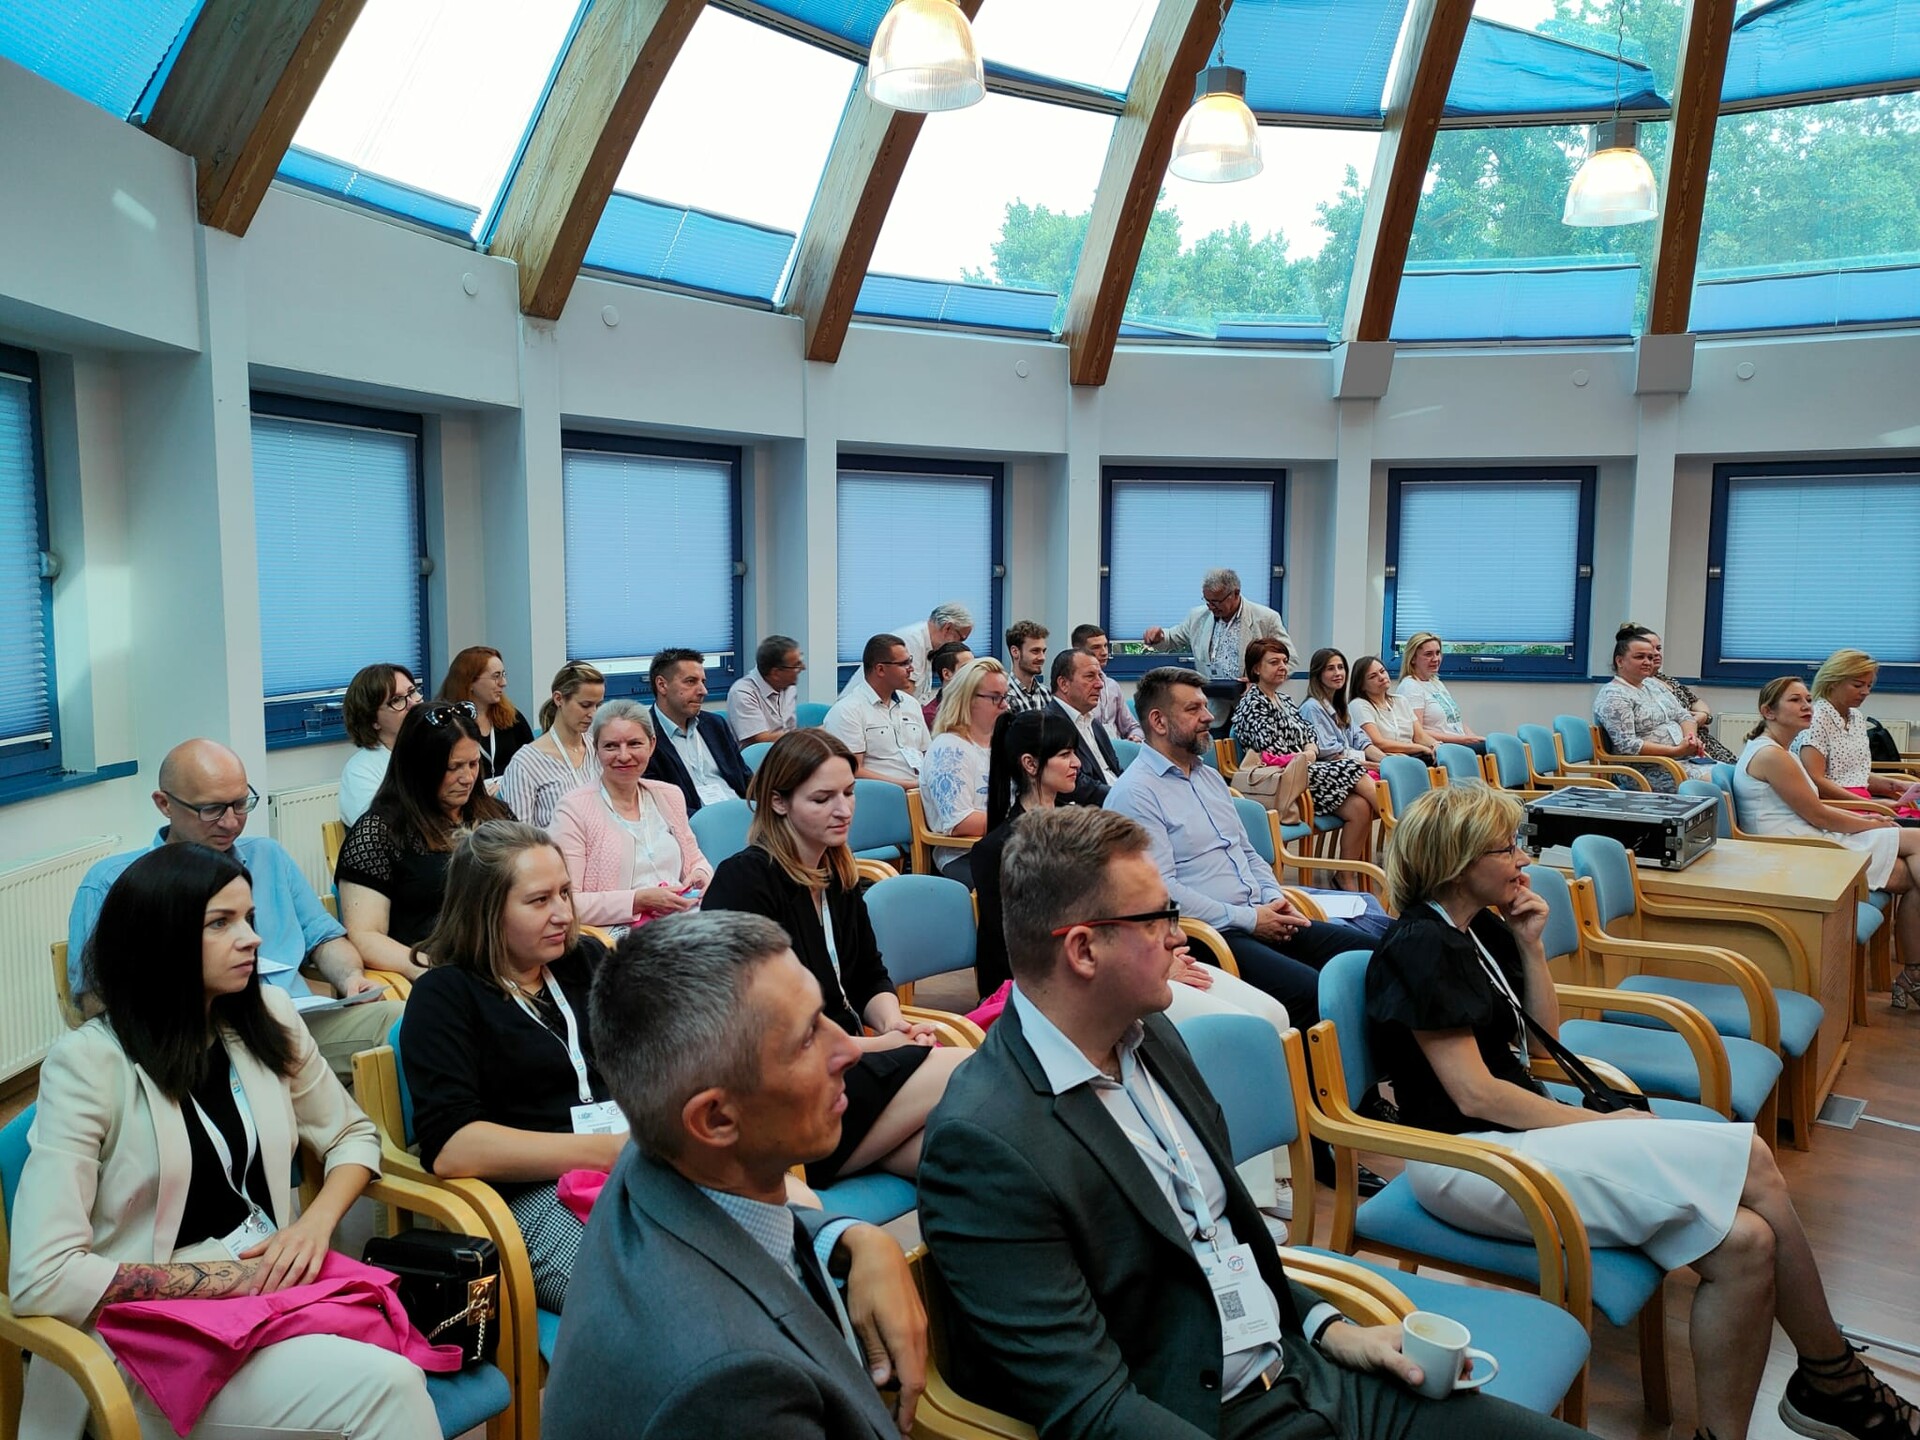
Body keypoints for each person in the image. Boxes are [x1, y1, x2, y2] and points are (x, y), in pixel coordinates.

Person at [917, 806, 1582, 1440]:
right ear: (1084, 950)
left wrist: (1330, 1329)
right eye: (1158, 918)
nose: (1179, 937)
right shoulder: (986, 1142)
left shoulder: (1152, 1040)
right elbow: (1093, 1408)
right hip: (1211, 1418)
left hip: (1307, 1371)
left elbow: (1223, 1242)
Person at [1365, 783, 1917, 1440]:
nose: (1523, 859)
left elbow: (1544, 1043)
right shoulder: (1421, 945)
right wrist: (1603, 1126)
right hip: (1468, 1162)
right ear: (1458, 862)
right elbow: (1475, 1096)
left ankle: (1736, 1427)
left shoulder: (1478, 929)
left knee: (1748, 1244)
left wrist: (1531, 944)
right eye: (1505, 848)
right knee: (1750, 1157)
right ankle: (1834, 1378)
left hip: (1518, 1139)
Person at [15, 843, 437, 1440]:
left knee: (393, 1360)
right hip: (145, 1339)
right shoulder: (88, 1064)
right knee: (388, 1387)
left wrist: (313, 1227)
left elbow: (350, 1134)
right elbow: (42, 1276)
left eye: (250, 918)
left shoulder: (265, 1016)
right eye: (221, 923)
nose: (253, 939)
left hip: (263, 1301)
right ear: (160, 938)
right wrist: (229, 1280)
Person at [545, 911, 930, 1439]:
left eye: (823, 1015)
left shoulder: (653, 1155)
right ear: (716, 1119)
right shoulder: (732, 1385)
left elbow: (747, 1222)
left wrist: (855, 1238)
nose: (846, 1049)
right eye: (806, 1039)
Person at [702, 731, 966, 1186]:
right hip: (786, 1089)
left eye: (849, 793)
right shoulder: (743, 881)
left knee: (967, 1159)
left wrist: (892, 1023)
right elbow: (767, 1032)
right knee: (963, 1070)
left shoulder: (838, 873)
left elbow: (868, 974)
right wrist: (883, 1046)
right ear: (779, 802)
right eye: (822, 799)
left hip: (845, 1069)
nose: (843, 810)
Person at [68, 739, 399, 1081]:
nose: (231, 823)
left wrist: (350, 978)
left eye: (240, 804)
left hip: (296, 1024)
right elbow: (94, 998)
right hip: (192, 1042)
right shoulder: (114, 881)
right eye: (212, 809)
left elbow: (325, 938)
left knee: (403, 1023)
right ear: (164, 804)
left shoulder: (267, 856)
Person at [400, 821, 624, 1314]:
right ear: (485, 911)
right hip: (532, 1194)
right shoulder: (445, 996)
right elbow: (453, 1147)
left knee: (758, 1248)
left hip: (628, 1165)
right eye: (539, 901)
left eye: (564, 893)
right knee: (644, 1294)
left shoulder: (585, 959)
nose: (563, 913)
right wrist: (604, 1151)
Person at [1106, 667, 1377, 1034]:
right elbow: (1163, 894)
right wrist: (1250, 919)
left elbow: (1247, 853)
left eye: (1205, 706)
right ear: (1158, 721)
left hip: (1261, 913)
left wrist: (1273, 897)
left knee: (1371, 955)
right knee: (1313, 990)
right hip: (1212, 932)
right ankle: (1327, 1070)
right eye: (1193, 709)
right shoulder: (1136, 793)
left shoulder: (1208, 776)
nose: (1208, 717)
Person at [1735, 676, 1920, 1008]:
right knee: (1912, 863)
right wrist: (1867, 820)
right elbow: (1818, 814)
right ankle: (1913, 975)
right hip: (1801, 852)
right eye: (1795, 700)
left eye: (1807, 699)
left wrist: (1869, 817)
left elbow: (1815, 808)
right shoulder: (1772, 756)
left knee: (1913, 868)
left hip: (1811, 839)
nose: (1807, 706)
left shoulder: (1781, 751)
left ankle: (1914, 974)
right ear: (1768, 711)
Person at [335, 702, 510, 978]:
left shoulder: (495, 815)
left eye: (473, 764)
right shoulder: (379, 833)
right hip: (437, 967)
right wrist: (429, 970)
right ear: (419, 767)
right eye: (453, 767)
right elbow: (366, 935)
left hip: (507, 955)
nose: (467, 778)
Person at [551, 700, 710, 933]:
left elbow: (696, 859)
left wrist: (701, 874)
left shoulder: (669, 795)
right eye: (611, 746)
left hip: (683, 919)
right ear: (596, 749)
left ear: (652, 744)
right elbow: (566, 901)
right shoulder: (573, 809)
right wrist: (637, 900)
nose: (624, 756)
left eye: (634, 743)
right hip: (618, 932)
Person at [1232, 638, 1378, 884]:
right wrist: (1306, 754)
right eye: (1274, 662)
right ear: (1256, 668)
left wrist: (1309, 751)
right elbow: (1270, 751)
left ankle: (1344, 876)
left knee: (1360, 808)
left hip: (1306, 775)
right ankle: (1401, 825)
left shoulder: (1285, 700)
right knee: (1351, 767)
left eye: (1284, 662)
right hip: (1281, 779)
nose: (1282, 667)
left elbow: (1310, 736)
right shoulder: (1251, 704)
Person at [1142, 567, 1291, 732]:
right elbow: (1173, 638)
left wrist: (1258, 681)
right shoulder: (1198, 616)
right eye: (1207, 601)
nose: (1211, 607)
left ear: (1235, 593)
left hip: (1254, 709)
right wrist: (1160, 637)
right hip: (1213, 710)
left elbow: (1289, 660)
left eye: (1217, 602)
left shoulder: (1265, 618)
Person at [919, 658, 1008, 883]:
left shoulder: (1002, 743)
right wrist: (1023, 821)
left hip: (1006, 847)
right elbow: (961, 822)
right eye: (995, 698)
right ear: (967, 700)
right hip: (963, 854)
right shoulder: (949, 749)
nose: (1005, 705)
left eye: (1005, 697)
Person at [1593, 629, 1714, 792]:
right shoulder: (1614, 695)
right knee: (1716, 783)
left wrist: (1690, 739)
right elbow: (1628, 745)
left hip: (1681, 760)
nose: (1647, 662)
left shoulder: (1652, 684)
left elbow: (1683, 714)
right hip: (1646, 770)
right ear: (1620, 661)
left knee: (1732, 775)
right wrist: (1675, 751)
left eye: (1650, 658)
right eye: (1639, 657)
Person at [1793, 648, 1914, 808]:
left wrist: (1898, 785)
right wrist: (1871, 804)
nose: (1866, 692)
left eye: (1869, 686)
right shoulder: (1816, 719)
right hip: (1835, 806)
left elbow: (1855, 776)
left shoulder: (1856, 717)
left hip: (1859, 801)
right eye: (1858, 685)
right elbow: (1815, 781)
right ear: (1833, 682)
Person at [643, 647, 752, 814]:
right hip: (694, 822)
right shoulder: (642, 736)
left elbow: (745, 778)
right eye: (691, 681)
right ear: (662, 685)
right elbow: (657, 806)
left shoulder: (715, 725)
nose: (703, 691)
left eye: (703, 682)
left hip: (742, 813)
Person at [498, 660, 605, 829]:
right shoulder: (526, 764)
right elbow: (519, 836)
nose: (593, 714)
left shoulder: (598, 748)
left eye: (598, 705)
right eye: (585, 705)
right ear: (559, 699)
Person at [823, 633, 931, 789]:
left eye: (910, 661)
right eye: (903, 664)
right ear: (880, 669)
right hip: (883, 794)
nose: (911, 669)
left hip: (921, 790)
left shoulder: (910, 704)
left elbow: (926, 754)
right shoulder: (847, 711)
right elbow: (852, 770)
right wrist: (910, 786)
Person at [1619, 624, 1737, 766]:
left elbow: (1695, 703)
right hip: (1670, 754)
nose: (1655, 654)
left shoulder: (1664, 681)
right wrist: (1681, 745)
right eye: (1643, 654)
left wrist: (1703, 716)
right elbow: (1628, 743)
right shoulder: (1623, 692)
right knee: (1730, 774)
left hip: (1695, 741)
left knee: (1736, 769)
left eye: (1658, 649)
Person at [842, 602, 973, 705]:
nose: (959, 644)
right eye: (961, 638)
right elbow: (905, 693)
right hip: (861, 712)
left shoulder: (929, 644)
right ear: (947, 628)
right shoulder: (912, 641)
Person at [339, 662, 422, 825]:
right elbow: (375, 828)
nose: (413, 705)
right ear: (373, 720)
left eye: (412, 692)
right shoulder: (361, 770)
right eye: (397, 700)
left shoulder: (435, 748)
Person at [438, 644, 532, 783]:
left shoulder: (513, 717)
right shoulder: (447, 723)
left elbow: (532, 764)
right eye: (496, 676)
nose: (503, 683)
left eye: (503, 675)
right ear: (470, 682)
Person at [1047, 646, 1123, 806]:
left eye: (1100, 676)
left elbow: (1115, 770)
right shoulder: (1049, 724)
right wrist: (1123, 797)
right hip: (1089, 813)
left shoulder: (1093, 723)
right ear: (1064, 684)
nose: (1100, 684)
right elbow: (1077, 787)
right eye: (1090, 677)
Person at [1395, 632, 1486, 752]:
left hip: (1460, 744)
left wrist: (1473, 737)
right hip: (1442, 748)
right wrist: (1463, 740)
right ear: (1413, 659)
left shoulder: (1436, 682)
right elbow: (1417, 733)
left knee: (1492, 744)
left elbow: (1455, 721)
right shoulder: (1410, 686)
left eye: (1438, 653)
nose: (1436, 659)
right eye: (1428, 654)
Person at [1298, 648, 1384, 767]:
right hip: (1332, 771)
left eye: (1341, 667)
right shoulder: (1312, 708)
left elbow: (1361, 742)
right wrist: (1374, 766)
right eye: (1330, 668)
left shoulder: (1340, 706)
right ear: (1318, 674)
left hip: (1352, 766)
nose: (1338, 673)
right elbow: (1331, 756)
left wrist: (1387, 761)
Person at [1347, 654, 1436, 762]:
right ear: (1361, 685)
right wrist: (1420, 748)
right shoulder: (1358, 705)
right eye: (1373, 676)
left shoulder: (1401, 701)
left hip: (1415, 757)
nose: (1381, 677)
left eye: (1382, 671)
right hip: (1387, 761)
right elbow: (1378, 743)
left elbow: (1420, 736)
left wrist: (1435, 745)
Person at [726, 634, 805, 746]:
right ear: (776, 673)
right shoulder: (742, 693)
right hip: (760, 755)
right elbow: (760, 740)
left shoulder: (789, 687)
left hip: (789, 751)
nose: (803, 668)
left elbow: (790, 729)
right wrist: (807, 736)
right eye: (796, 665)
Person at [1071, 622, 1144, 742]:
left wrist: (1135, 736)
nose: (1104, 652)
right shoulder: (1075, 687)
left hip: (1118, 748)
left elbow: (1132, 727)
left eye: (1105, 646)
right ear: (1078, 651)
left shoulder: (1112, 686)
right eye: (1096, 647)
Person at [921, 639, 975, 728]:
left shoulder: (981, 704)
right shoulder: (931, 716)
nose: (974, 672)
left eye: (974, 667)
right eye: (966, 668)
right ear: (946, 674)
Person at [1004, 619, 1051, 712]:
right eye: (1035, 651)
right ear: (1015, 652)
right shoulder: (1004, 697)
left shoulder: (1046, 694)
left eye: (1043, 651)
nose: (1042, 657)